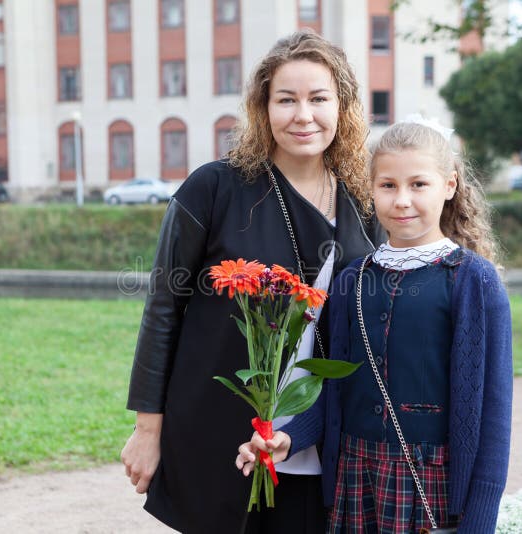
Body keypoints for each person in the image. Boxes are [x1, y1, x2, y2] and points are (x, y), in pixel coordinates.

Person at [121, 30, 384, 534]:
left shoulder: (363, 201)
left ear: (343, 106)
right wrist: (147, 430)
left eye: (318, 99)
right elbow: (162, 308)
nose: (302, 115)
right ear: (263, 108)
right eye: (286, 99)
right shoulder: (213, 188)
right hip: (218, 428)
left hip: (319, 436)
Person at [236, 118, 513, 533]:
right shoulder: (351, 279)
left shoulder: (474, 281)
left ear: (449, 186)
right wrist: (289, 439)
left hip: (431, 483)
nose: (402, 200)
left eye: (419, 184)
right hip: (354, 476)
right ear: (370, 189)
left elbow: (492, 414)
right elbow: (333, 390)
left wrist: (478, 520)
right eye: (388, 185)